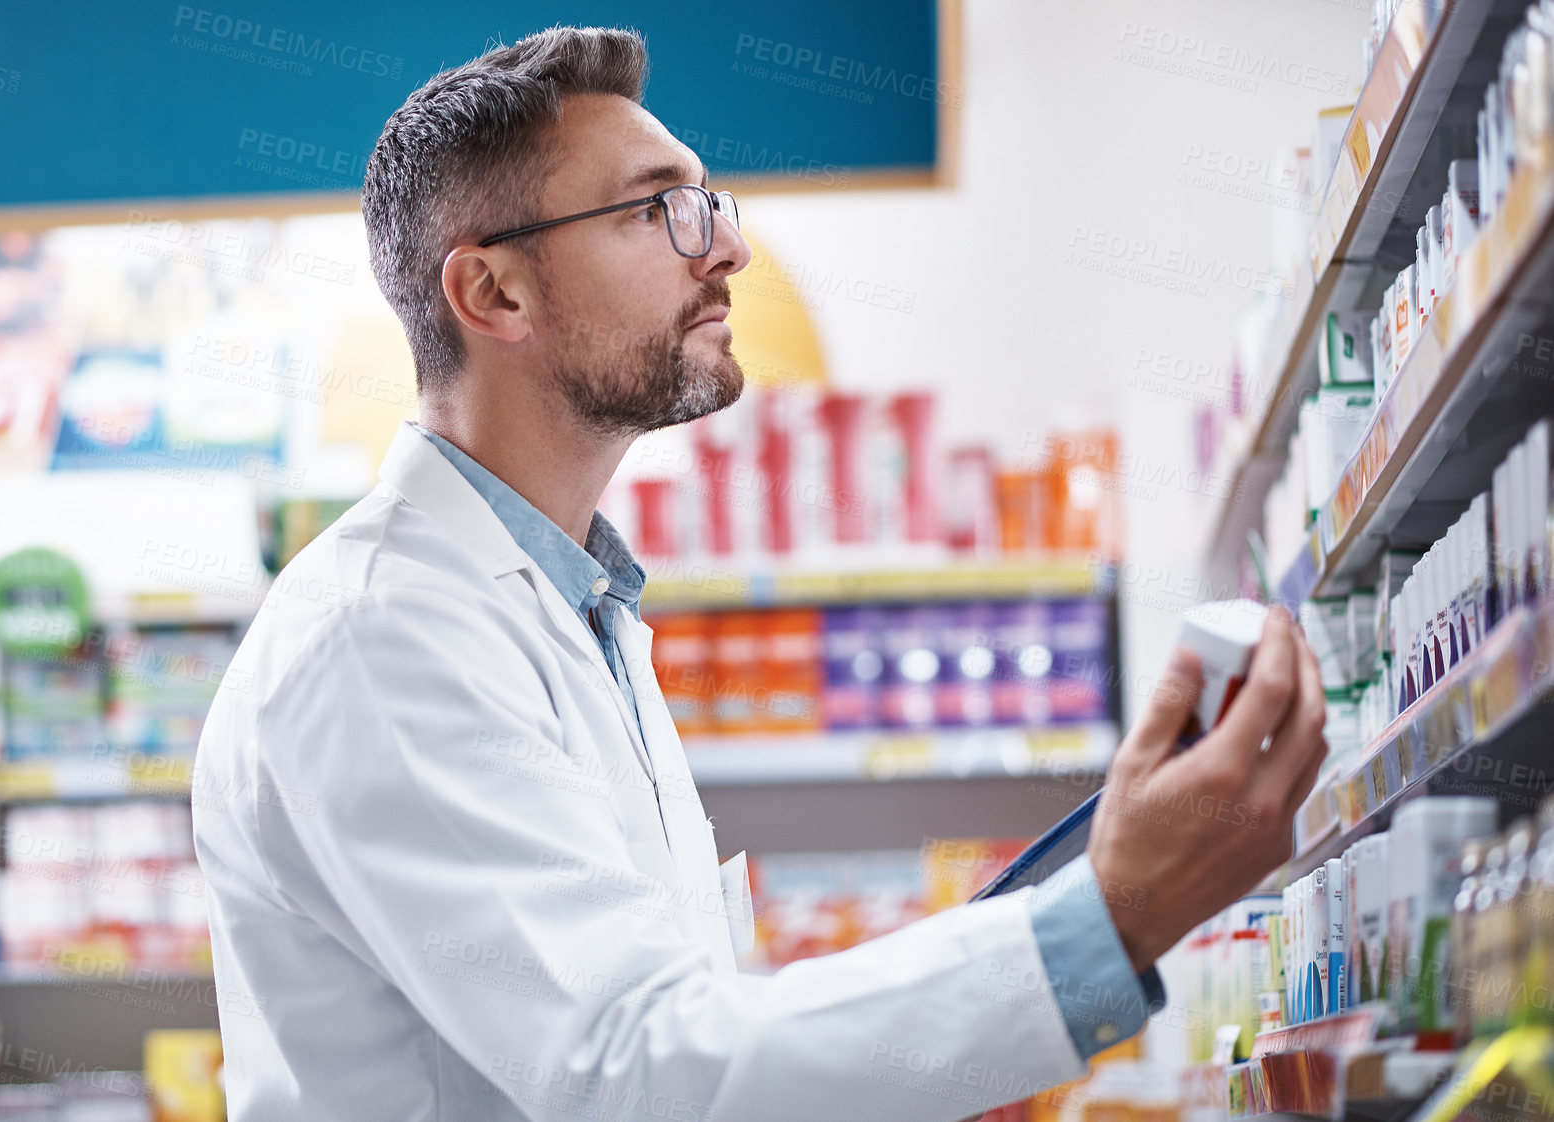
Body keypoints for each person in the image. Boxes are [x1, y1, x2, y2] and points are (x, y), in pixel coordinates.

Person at [191, 26, 1328, 1121]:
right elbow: (635, 1074)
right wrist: (1105, 920)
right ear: (494, 295)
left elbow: (679, 1037)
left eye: (707, 202)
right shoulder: (379, 633)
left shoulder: (572, 604)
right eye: (656, 210)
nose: (724, 245)